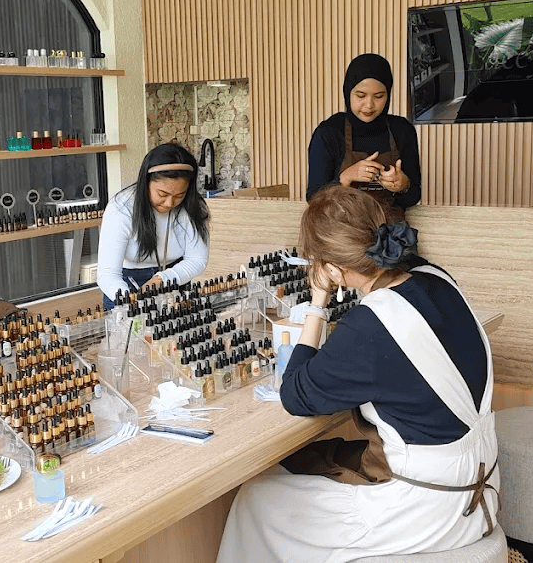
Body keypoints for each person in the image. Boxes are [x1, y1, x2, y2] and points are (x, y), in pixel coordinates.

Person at [217, 185, 497, 562]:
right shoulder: (436, 278)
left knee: (256, 498)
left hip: (425, 508)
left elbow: (294, 394)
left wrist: (318, 302)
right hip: (480, 482)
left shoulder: (370, 326)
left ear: (333, 270)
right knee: (310, 460)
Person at [307, 53, 422, 223]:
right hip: (339, 231)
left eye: (379, 96)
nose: (369, 105)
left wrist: (403, 185)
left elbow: (413, 196)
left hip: (390, 231)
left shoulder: (402, 130)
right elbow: (314, 199)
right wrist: (345, 178)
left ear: (388, 94)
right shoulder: (329, 132)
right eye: (360, 96)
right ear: (348, 92)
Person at [97, 143, 210, 309]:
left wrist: (162, 280)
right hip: (126, 282)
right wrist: (129, 302)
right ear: (146, 183)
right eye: (162, 194)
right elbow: (108, 274)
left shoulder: (194, 207)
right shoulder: (121, 208)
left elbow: (197, 259)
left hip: (176, 277)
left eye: (180, 195)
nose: (170, 203)